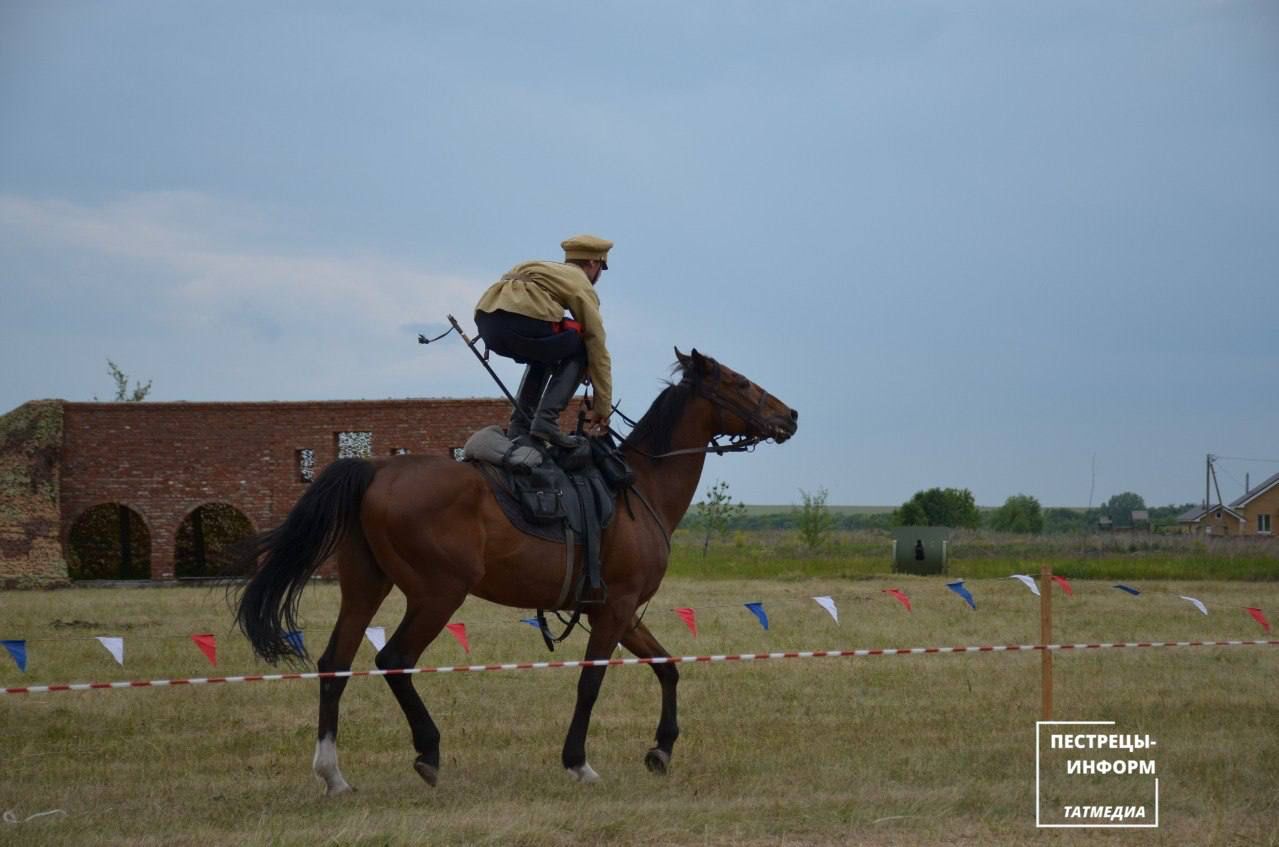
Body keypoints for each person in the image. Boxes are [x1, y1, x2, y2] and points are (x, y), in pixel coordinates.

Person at [474, 234, 613, 448]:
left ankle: (520, 424)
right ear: (593, 262)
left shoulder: (541, 268)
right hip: (520, 321)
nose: (598, 276)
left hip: (487, 322)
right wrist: (602, 407)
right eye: (601, 268)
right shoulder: (579, 283)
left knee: (550, 348)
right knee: (582, 345)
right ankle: (546, 421)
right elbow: (597, 344)